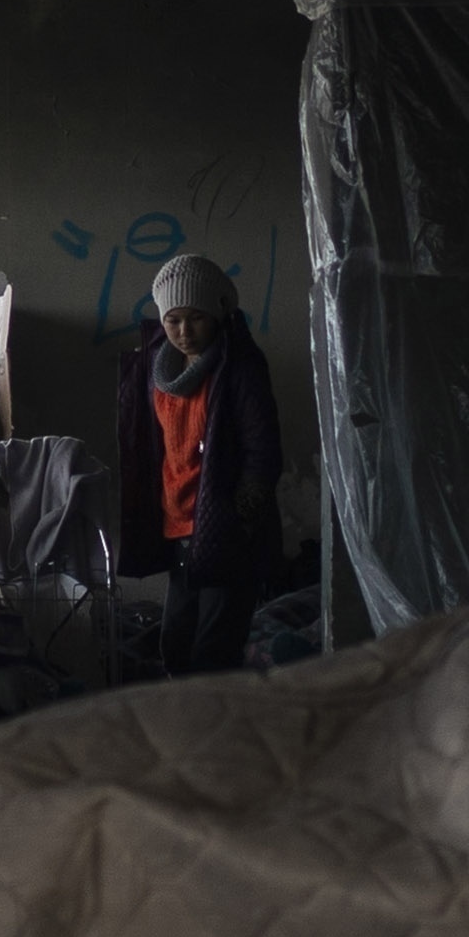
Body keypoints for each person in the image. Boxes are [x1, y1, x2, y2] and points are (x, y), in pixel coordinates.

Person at [112, 252, 282, 677]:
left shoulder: (238, 368)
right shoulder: (155, 366)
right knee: (176, 643)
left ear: (219, 314)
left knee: (214, 649)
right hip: (178, 523)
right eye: (173, 320)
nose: (184, 332)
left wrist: (241, 515)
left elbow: (263, 451)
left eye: (196, 318)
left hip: (223, 527)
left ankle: (215, 735)